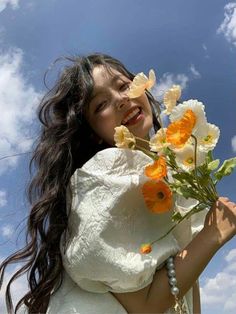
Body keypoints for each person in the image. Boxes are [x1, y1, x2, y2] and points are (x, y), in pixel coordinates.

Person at [0, 53, 235, 314]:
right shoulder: (103, 177)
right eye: (100, 105)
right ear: (93, 133)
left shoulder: (165, 170)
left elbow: (188, 280)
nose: (121, 99)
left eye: (124, 85)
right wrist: (213, 234)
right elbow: (145, 307)